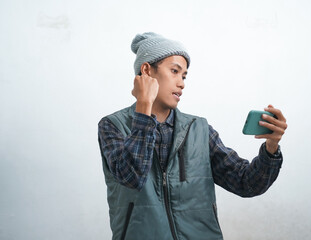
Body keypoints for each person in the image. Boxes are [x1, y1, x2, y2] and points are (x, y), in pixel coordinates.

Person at [98, 32, 287, 240]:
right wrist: (144, 107)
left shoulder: (199, 130)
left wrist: (271, 147)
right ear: (146, 70)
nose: (181, 83)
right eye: (174, 71)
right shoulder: (112, 126)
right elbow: (131, 176)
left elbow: (246, 183)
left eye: (184, 75)